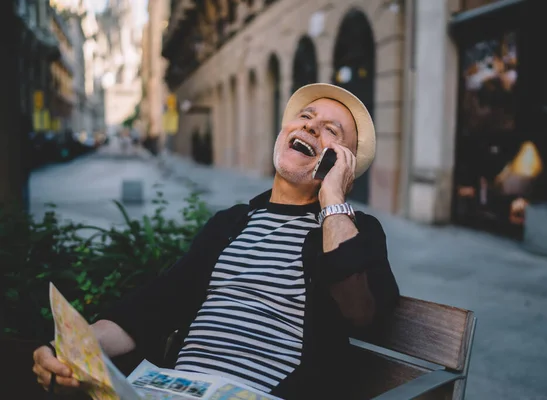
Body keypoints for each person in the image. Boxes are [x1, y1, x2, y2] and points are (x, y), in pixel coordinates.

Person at [32, 83, 400, 399]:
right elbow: (153, 306)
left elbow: (360, 312)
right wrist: (69, 351)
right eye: (306, 115)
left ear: (344, 162)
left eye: (332, 131)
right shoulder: (231, 223)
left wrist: (334, 201)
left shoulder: (356, 231)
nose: (312, 126)